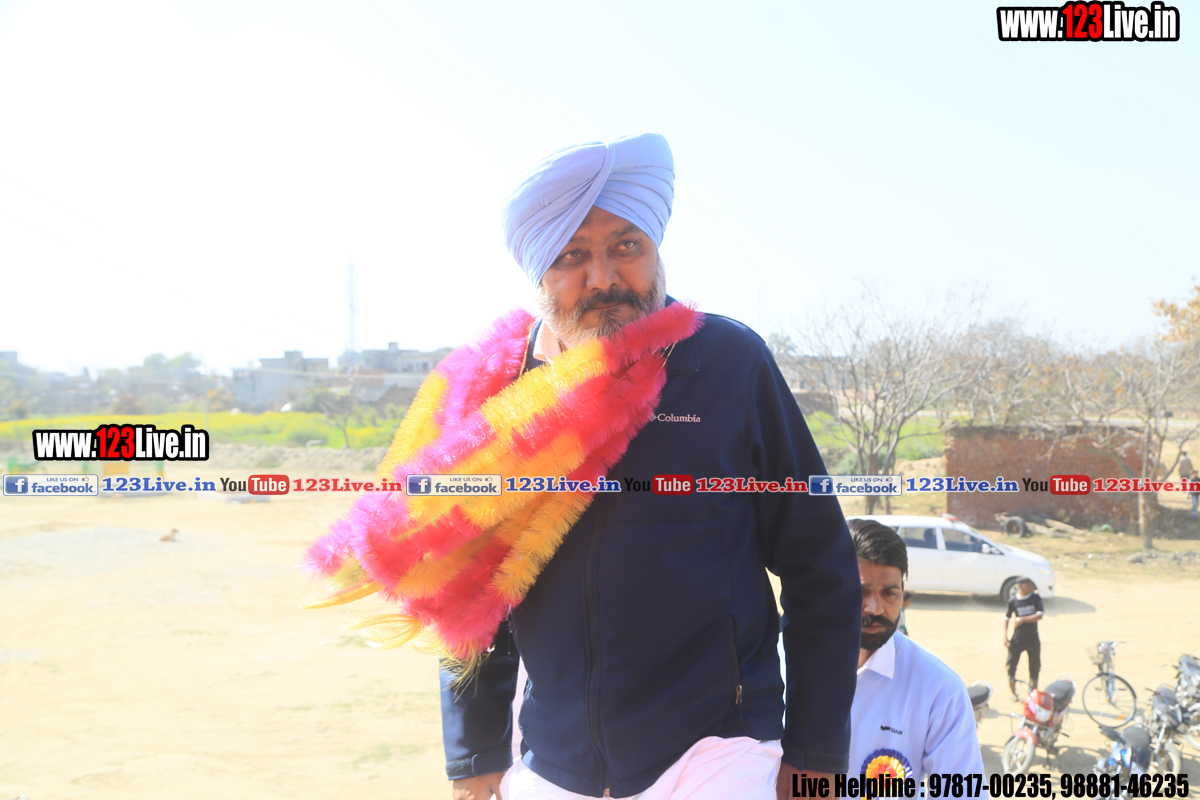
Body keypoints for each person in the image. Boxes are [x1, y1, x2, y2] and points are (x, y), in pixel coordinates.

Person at [305, 133, 861, 800]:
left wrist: (816, 752)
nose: (604, 278)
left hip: (718, 751)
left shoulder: (727, 363)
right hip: (553, 762)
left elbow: (820, 564)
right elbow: (467, 583)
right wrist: (476, 752)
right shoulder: (499, 391)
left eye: (626, 246)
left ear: (656, 252)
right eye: (573, 255)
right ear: (538, 270)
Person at [847, 519, 985, 783]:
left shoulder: (939, 690)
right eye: (861, 592)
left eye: (889, 593)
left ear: (902, 593)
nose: (875, 608)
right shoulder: (781, 663)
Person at [1003, 578, 1044, 699]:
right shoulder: (1013, 601)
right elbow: (1006, 618)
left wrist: (1022, 619)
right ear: (1021, 586)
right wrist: (1005, 636)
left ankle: (1033, 695)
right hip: (1017, 639)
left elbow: (1040, 615)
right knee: (1011, 665)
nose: (1031, 587)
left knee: (1035, 666)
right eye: (1028, 585)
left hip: (1033, 639)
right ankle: (1013, 692)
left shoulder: (1035, 598)